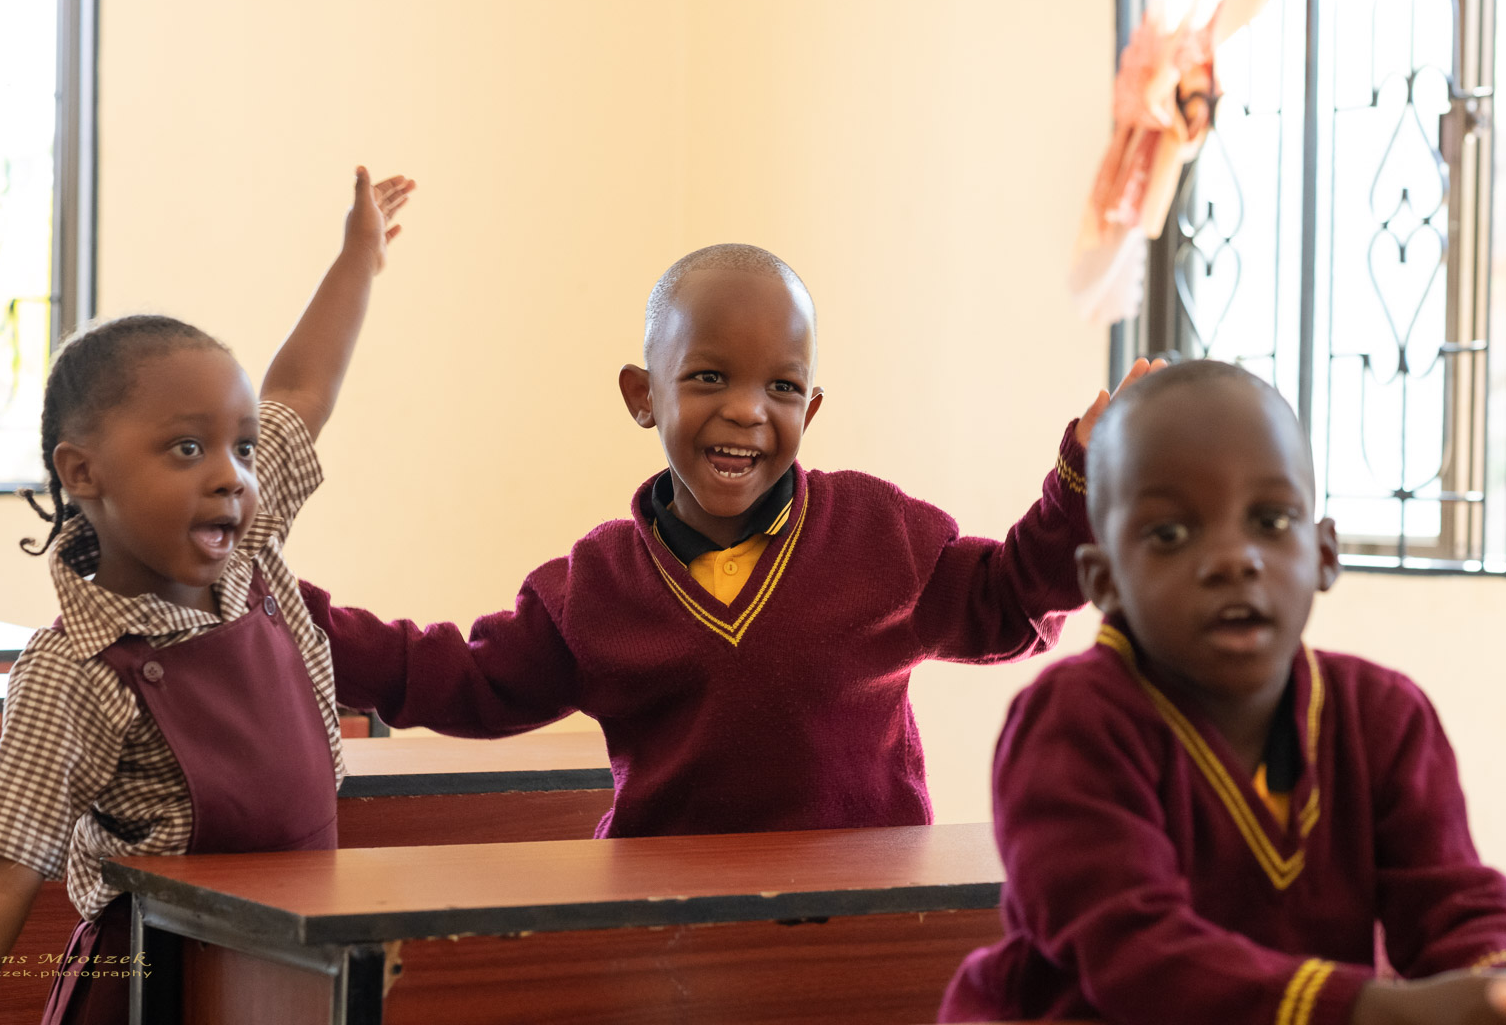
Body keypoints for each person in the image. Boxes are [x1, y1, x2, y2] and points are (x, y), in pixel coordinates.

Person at [303, 243, 1159, 837]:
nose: (748, 410)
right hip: (665, 931)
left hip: (861, 925)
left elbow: (1009, 600)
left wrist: (1083, 478)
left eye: (782, 387)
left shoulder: (880, 534)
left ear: (809, 410)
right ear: (643, 395)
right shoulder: (594, 588)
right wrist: (284, 612)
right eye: (709, 376)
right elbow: (461, 680)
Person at [0, 167, 414, 1025]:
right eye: (187, 449)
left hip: (289, 972)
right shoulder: (77, 670)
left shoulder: (248, 552)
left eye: (243, 448)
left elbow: (302, 390)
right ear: (84, 473)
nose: (231, 476)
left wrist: (357, 259)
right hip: (152, 988)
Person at [939, 358, 1506, 1025]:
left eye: (1271, 521)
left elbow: (1453, 904)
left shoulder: (1383, 717)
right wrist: (1374, 1010)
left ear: (1324, 554)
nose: (1235, 558)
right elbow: (1138, 958)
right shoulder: (1071, 725)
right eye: (1170, 533)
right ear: (1103, 580)